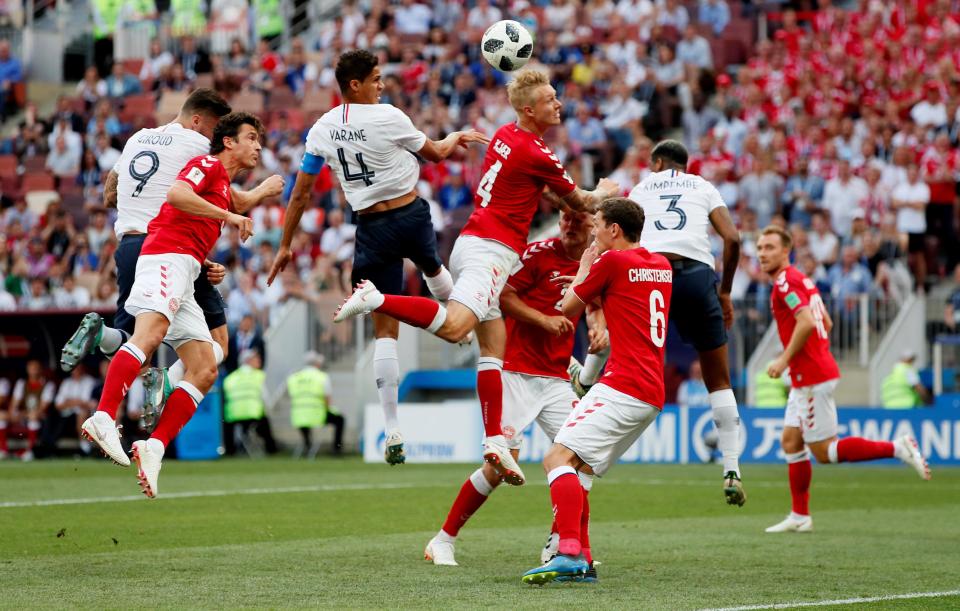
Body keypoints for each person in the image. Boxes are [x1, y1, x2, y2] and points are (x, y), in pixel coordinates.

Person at [333, 68, 619, 486]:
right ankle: (377, 299)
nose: (558, 104)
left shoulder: (506, 134)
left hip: (476, 240)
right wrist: (607, 189)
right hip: (491, 251)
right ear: (528, 108)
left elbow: (546, 192)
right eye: (550, 99)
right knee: (455, 327)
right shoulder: (537, 151)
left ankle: (494, 442)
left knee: (493, 347)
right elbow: (581, 199)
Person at [266, 49, 488, 466]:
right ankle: (464, 324)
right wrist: (455, 138)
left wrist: (285, 245)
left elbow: (301, 192)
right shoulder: (389, 116)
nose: (382, 85)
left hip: (370, 228)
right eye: (376, 78)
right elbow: (437, 154)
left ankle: (392, 429)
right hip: (409, 213)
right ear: (356, 84)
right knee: (432, 267)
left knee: (385, 331)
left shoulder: (323, 128)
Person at [81, 112, 278, 498]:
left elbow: (196, 213)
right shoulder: (205, 164)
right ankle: (103, 416)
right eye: (251, 137)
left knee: (207, 366)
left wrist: (208, 258)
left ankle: (153, 447)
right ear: (228, 142)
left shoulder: (221, 184)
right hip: (165, 259)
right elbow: (175, 195)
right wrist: (232, 216)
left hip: (184, 268)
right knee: (149, 335)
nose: (258, 145)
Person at [59, 89, 282, 424]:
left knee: (139, 341)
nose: (215, 139)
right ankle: (158, 390)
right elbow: (227, 197)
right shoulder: (196, 147)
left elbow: (109, 194)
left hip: (128, 246)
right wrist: (264, 190)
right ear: (196, 121)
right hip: (168, 247)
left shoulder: (139, 138)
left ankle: (101, 335)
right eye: (212, 130)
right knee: (217, 341)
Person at [424, 210, 600, 568]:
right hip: (515, 371)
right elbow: (502, 297)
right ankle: (442, 540)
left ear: (592, 227)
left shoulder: (593, 263)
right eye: (565, 219)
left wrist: (599, 327)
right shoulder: (537, 254)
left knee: (583, 457)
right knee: (500, 468)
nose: (568, 225)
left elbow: (595, 304)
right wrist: (544, 320)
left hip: (555, 379)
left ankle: (561, 542)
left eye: (577, 221)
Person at [521, 198, 672, 584]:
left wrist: (585, 269)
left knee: (556, 459)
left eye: (597, 225)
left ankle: (567, 552)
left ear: (614, 230)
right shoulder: (662, 265)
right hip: (651, 391)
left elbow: (566, 309)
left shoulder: (611, 262)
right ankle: (583, 559)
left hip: (623, 384)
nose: (593, 232)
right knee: (581, 469)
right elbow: (625, 301)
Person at [756, 225, 930, 533]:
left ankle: (898, 447)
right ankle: (800, 515)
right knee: (790, 441)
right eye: (759, 248)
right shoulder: (802, 280)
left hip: (810, 375)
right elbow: (826, 320)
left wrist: (784, 360)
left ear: (786, 251)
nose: (762, 253)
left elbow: (809, 322)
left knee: (824, 451)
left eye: (769, 247)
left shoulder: (785, 282)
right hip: (807, 373)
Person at [626, 139, 746, 506]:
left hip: (653, 274)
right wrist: (724, 292)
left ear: (659, 162)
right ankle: (732, 469)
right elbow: (733, 239)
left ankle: (587, 388)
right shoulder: (703, 186)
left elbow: (624, 238)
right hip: (696, 276)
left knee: (633, 364)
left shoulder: (643, 187)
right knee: (718, 380)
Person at [275, 352, 345, 458]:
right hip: (316, 415)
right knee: (340, 419)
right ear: (316, 363)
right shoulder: (322, 377)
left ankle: (307, 444)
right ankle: (336, 449)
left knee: (304, 421)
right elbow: (327, 399)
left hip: (298, 416)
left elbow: (288, 394)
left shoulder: (294, 377)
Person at [222, 349, 277, 455]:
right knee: (265, 422)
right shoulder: (259, 375)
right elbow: (265, 397)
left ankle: (230, 451)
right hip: (252, 414)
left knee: (227, 424)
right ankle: (271, 450)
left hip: (234, 415)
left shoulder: (230, 378)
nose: (259, 361)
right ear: (248, 361)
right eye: (256, 358)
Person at [7, 359, 55, 461]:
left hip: (41, 419)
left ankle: (30, 451)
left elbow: (42, 408)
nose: (34, 371)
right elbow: (14, 404)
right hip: (24, 416)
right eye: (31, 368)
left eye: (36, 368)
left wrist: (23, 414)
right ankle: (3, 450)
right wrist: (13, 413)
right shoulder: (21, 383)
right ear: (27, 370)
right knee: (1, 416)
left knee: (33, 417)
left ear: (41, 370)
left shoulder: (48, 385)